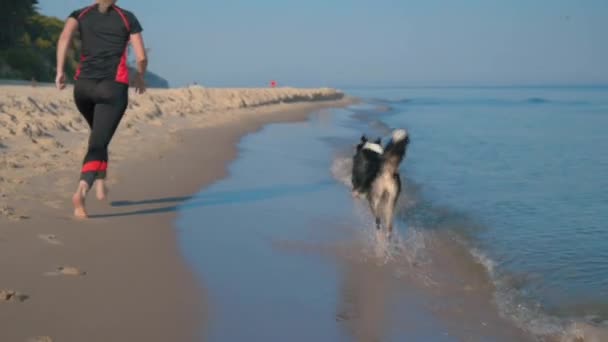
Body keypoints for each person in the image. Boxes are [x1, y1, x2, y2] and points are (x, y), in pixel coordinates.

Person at [55, 0, 148, 218]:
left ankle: (100, 182)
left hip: (83, 87)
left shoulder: (79, 14)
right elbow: (141, 57)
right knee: (98, 142)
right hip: (112, 87)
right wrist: (140, 77)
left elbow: (64, 38)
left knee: (99, 137)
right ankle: (81, 190)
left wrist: (60, 70)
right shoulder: (127, 17)